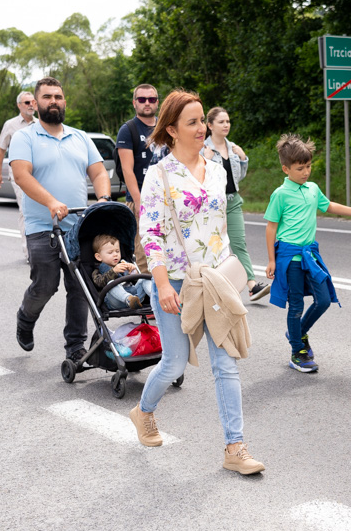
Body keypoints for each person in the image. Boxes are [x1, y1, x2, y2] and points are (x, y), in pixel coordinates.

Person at [130, 89, 265, 475]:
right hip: (176, 281)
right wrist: (163, 284)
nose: (201, 128)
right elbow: (150, 235)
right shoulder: (158, 176)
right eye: (192, 122)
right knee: (173, 363)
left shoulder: (218, 168)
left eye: (203, 120)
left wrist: (233, 269)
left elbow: (222, 225)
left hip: (217, 279)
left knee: (226, 364)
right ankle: (143, 412)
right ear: (170, 129)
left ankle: (234, 449)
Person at [9, 77, 113, 363]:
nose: (53, 101)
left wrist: (103, 200)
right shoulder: (25, 137)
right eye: (46, 97)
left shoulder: (80, 137)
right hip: (42, 226)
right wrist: (51, 202)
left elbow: (99, 173)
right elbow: (21, 175)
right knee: (45, 285)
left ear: (64, 101)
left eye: (58, 96)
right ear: (35, 104)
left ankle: (75, 347)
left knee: (80, 288)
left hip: (77, 227)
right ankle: (25, 319)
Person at [264, 134, 351, 373]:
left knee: (324, 299)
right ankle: (298, 352)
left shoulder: (313, 189)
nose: (305, 172)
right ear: (286, 169)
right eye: (300, 168)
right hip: (290, 257)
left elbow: (329, 206)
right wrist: (271, 260)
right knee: (295, 306)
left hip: (310, 255)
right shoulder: (280, 194)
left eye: (308, 166)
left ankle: (297, 333)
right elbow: (271, 227)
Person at [202, 106, 270, 301]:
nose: (226, 125)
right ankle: (213, 287)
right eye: (221, 122)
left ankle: (251, 285)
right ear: (210, 125)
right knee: (214, 247)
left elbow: (238, 178)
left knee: (239, 244)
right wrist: (204, 161)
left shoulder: (232, 148)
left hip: (233, 202)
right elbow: (199, 179)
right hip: (213, 206)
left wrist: (242, 159)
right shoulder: (203, 151)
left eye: (228, 121)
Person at [117, 84, 160, 274]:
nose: (147, 103)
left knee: (168, 255)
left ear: (157, 102)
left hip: (165, 199)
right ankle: (148, 301)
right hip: (140, 199)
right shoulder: (128, 130)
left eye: (151, 99)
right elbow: (127, 170)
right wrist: (139, 202)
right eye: (142, 99)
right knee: (146, 257)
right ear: (135, 103)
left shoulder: (166, 127)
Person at [0, 91, 35, 261]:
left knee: (39, 211)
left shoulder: (40, 124)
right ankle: (29, 253)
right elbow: (1, 149)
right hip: (19, 175)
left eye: (33, 102)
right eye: (26, 102)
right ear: (19, 105)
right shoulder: (10, 125)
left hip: (38, 174)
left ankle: (43, 249)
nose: (31, 105)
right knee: (25, 211)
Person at [91, 233, 146, 310]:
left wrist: (133, 272)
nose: (115, 255)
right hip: (115, 302)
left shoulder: (123, 264)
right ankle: (128, 299)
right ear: (99, 257)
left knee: (144, 279)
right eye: (110, 252)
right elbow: (99, 283)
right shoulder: (97, 271)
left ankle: (157, 297)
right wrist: (114, 271)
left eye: (117, 251)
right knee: (111, 284)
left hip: (135, 297)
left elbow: (135, 282)